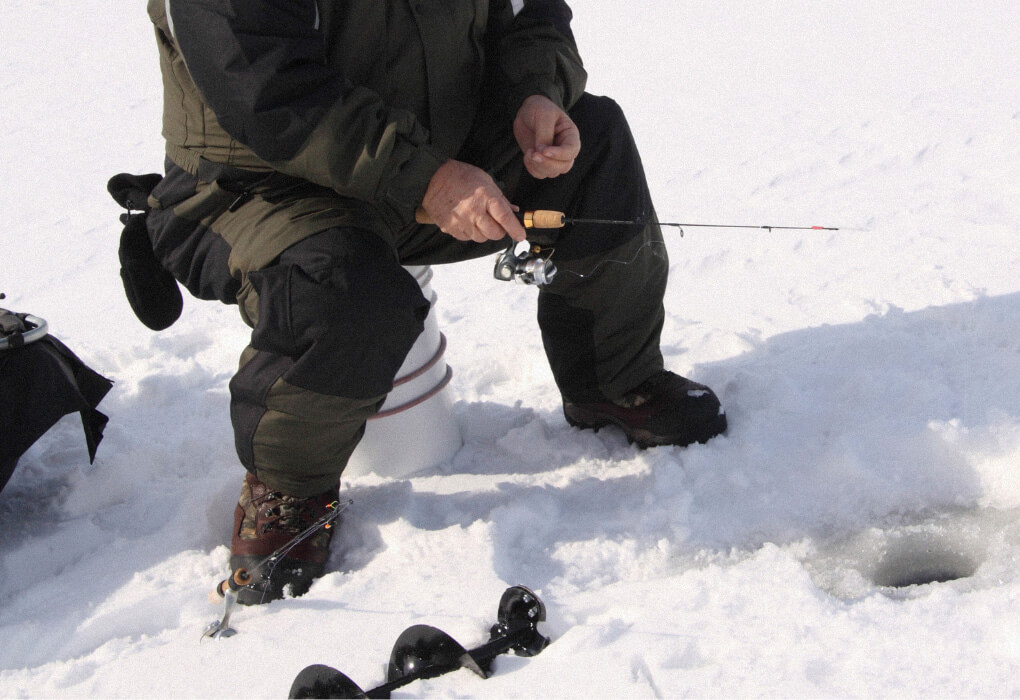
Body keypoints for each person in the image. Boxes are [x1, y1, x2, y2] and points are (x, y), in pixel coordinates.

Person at [142, 0, 726, 604]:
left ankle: (613, 378)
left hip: (427, 153)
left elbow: (531, 13)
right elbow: (266, 89)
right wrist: (424, 179)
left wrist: (534, 93)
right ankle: (288, 488)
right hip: (258, 185)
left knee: (596, 139)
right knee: (346, 290)